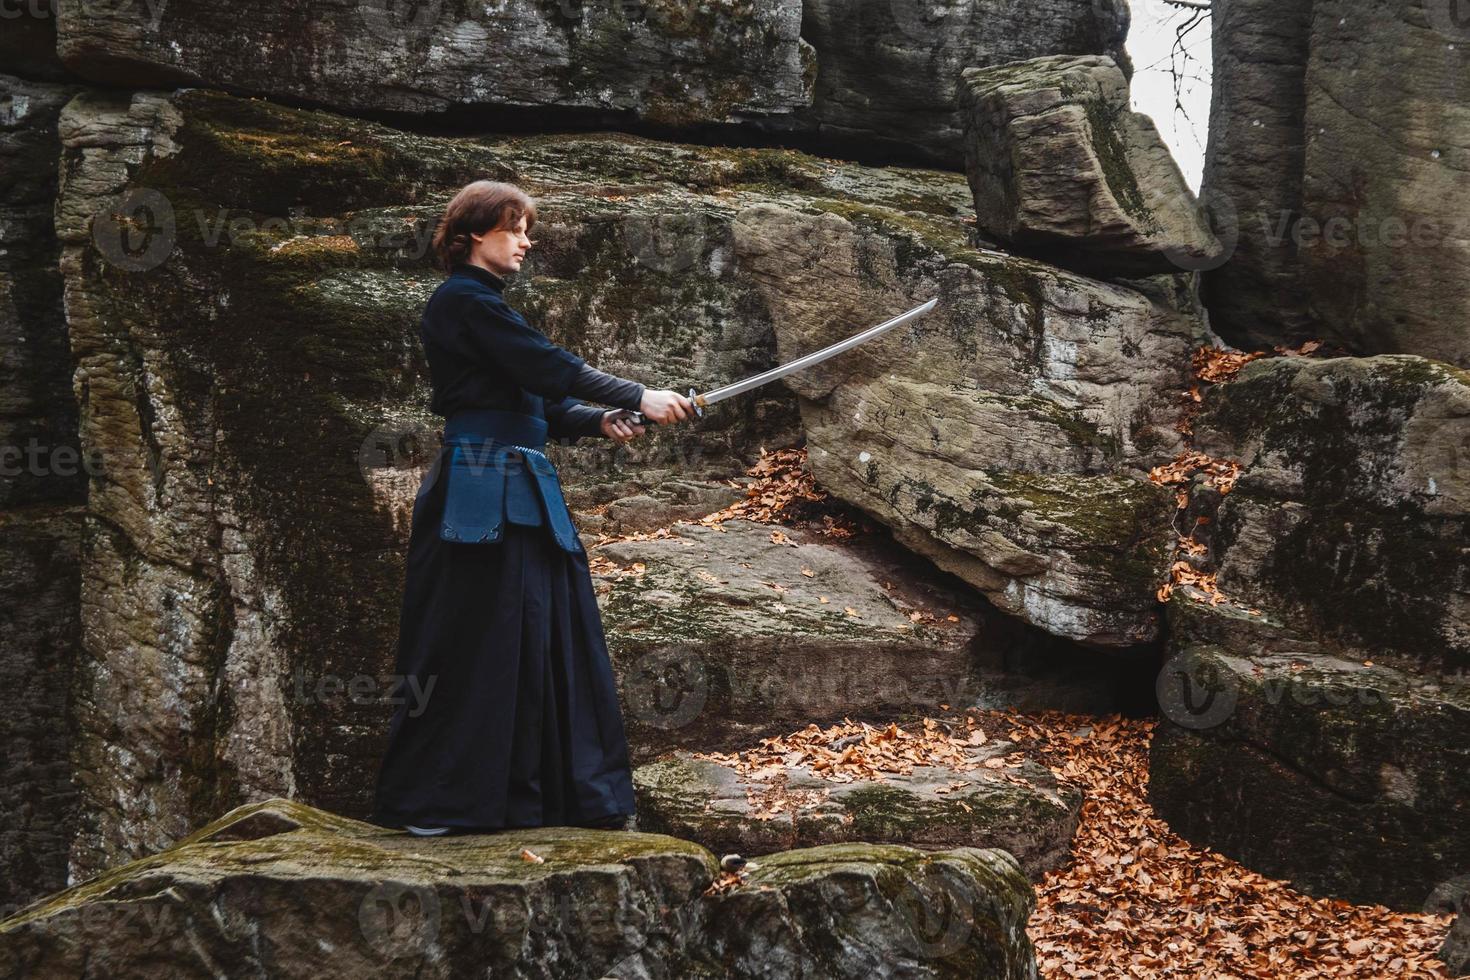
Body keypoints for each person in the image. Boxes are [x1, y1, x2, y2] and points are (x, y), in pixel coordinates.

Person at [370, 180, 696, 835]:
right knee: (474, 642)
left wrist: (603, 419)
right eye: (514, 228)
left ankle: (538, 801)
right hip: (479, 488)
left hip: (521, 484)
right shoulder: (462, 300)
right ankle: (448, 802)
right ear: (472, 236)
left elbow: (538, 403)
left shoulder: (489, 308)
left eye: (526, 228)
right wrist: (640, 392)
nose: (527, 240)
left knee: (545, 635)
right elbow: (544, 366)